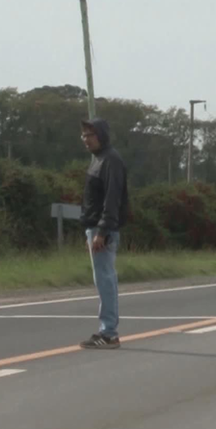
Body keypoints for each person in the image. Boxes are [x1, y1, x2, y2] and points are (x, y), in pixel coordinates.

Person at [79, 118, 129, 350]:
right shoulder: (98, 160)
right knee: (103, 279)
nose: (85, 139)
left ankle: (108, 333)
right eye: (83, 135)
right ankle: (107, 330)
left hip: (103, 230)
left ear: (101, 135)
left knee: (105, 279)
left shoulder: (111, 160)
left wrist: (102, 230)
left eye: (89, 135)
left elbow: (112, 200)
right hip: (95, 227)